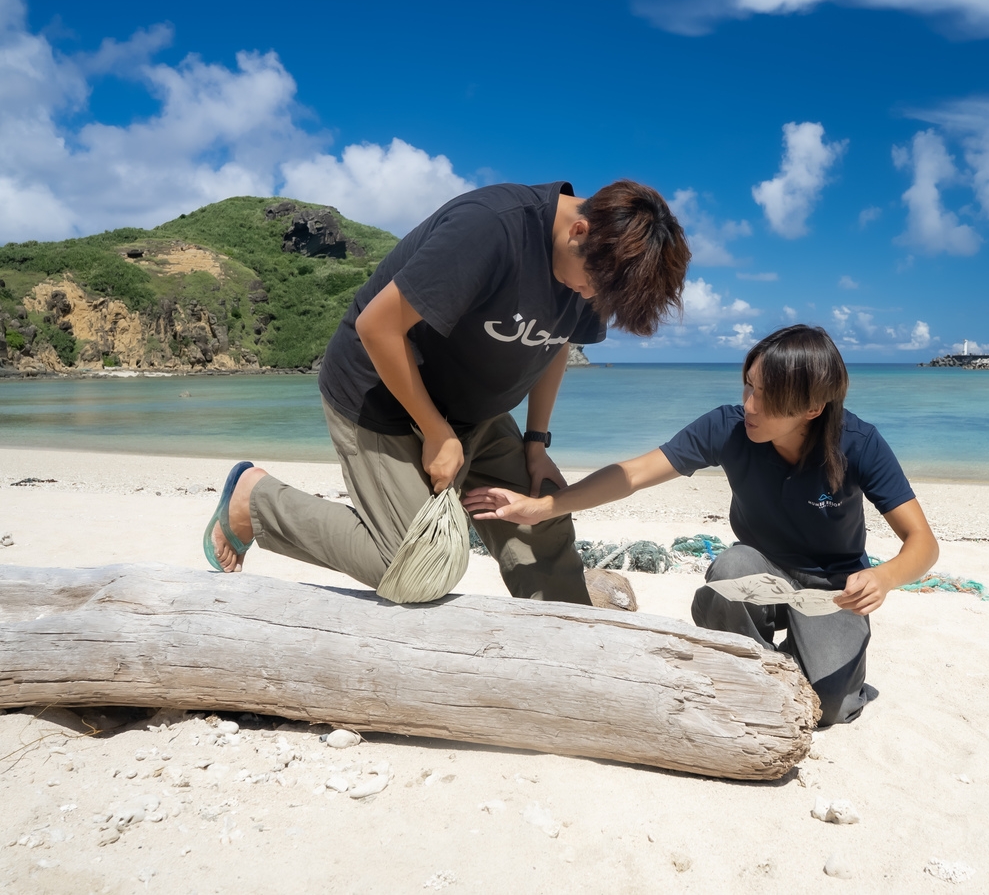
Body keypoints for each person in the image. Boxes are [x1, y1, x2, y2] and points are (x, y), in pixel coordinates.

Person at [204, 180, 691, 607]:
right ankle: (256, 502)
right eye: (589, 288)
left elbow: (556, 342)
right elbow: (377, 327)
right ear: (578, 231)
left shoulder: (602, 269)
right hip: (382, 396)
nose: (587, 298)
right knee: (418, 563)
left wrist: (536, 441)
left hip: (476, 411)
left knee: (545, 520)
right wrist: (436, 432)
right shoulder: (490, 229)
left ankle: (566, 637)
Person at [462, 325, 939, 724]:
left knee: (831, 708)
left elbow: (922, 543)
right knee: (729, 568)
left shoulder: (859, 443)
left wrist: (884, 577)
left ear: (812, 409)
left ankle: (805, 654)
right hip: (760, 570)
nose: (750, 405)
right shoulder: (729, 427)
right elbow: (635, 473)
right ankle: (767, 665)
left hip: (833, 587)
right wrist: (547, 507)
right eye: (748, 386)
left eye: (769, 398)